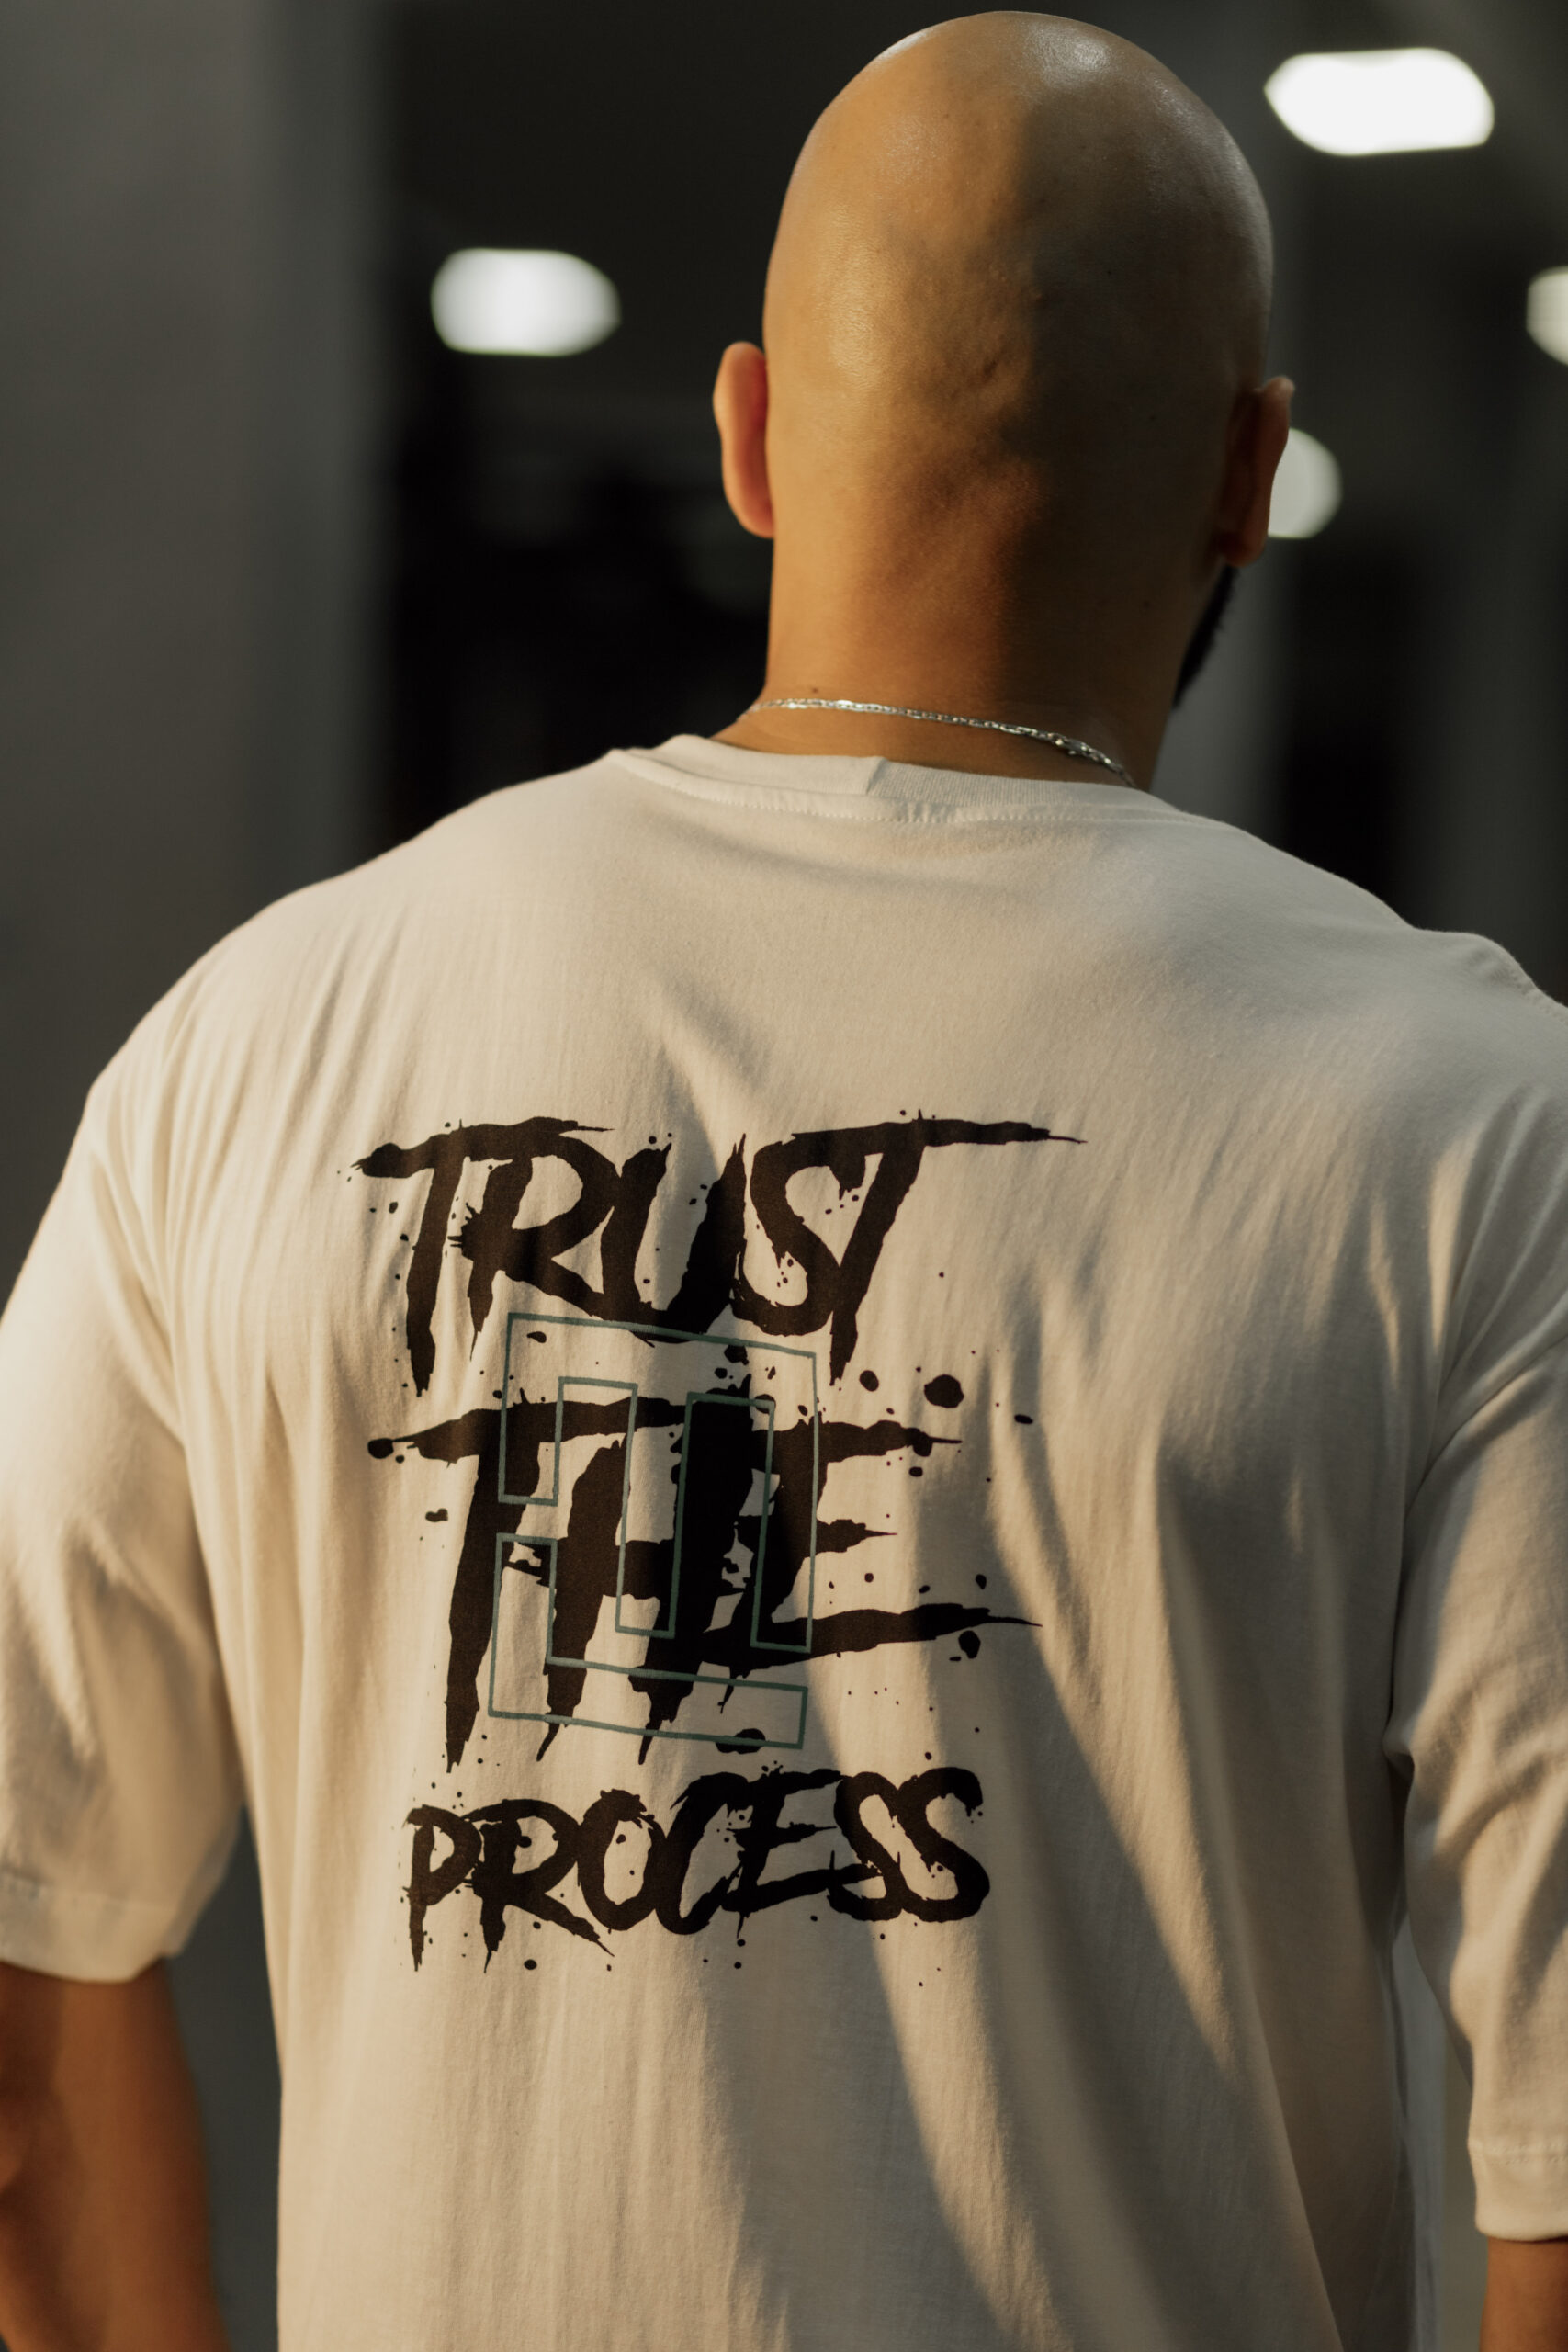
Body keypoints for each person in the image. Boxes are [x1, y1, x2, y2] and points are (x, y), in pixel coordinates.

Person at [0, 13, 1564, 2347]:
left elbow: (23, 2002)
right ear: (1249, 468)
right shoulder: (1474, 1125)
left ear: (744, 433)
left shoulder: (250, 1046)